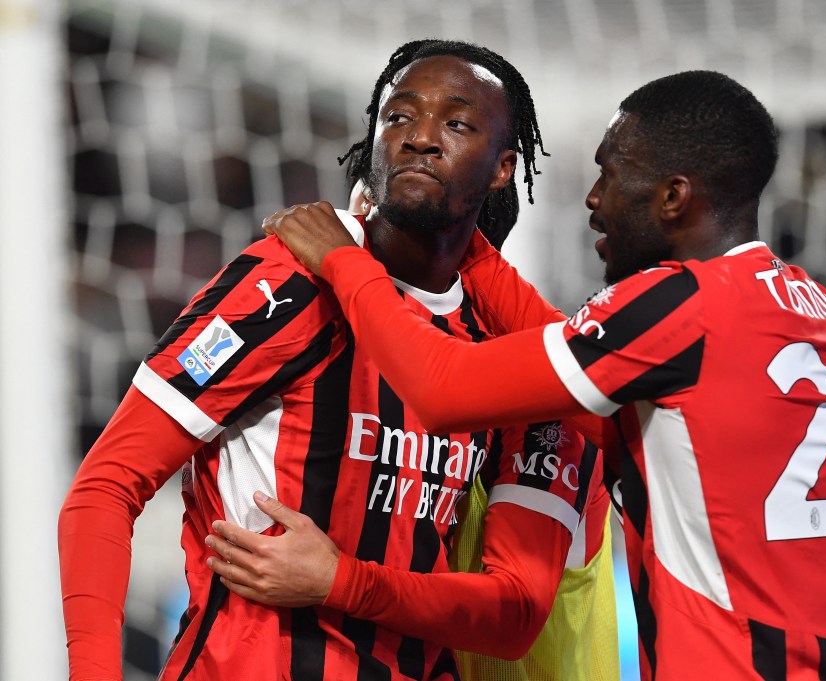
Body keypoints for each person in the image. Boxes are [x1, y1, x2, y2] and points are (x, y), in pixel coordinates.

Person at [263, 70, 826, 680]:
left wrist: (347, 263)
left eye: (611, 173)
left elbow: (442, 388)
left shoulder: (678, 304)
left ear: (673, 197)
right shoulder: (809, 306)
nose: (594, 200)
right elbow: (564, 357)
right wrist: (451, 232)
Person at [58, 39, 616, 681]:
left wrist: (341, 580)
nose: (420, 138)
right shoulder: (283, 283)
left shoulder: (513, 353)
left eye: (456, 123)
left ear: (502, 167)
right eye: (398, 117)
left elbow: (514, 612)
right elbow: (104, 486)